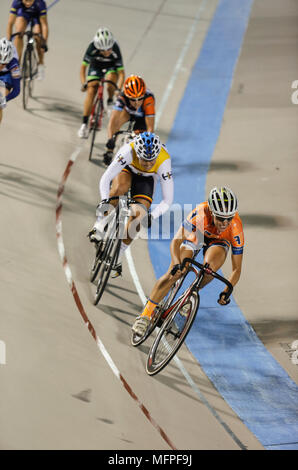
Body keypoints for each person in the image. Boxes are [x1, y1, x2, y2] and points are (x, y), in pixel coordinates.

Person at [132, 186, 244, 336]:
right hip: (197, 234)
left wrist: (226, 291)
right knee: (175, 273)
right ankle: (145, 315)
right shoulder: (200, 214)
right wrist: (177, 262)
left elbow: (236, 269)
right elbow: (176, 242)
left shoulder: (235, 227)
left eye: (229, 218)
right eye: (220, 218)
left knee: (210, 270)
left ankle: (191, 294)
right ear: (211, 212)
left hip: (219, 242)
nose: (225, 223)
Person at [88, 132, 174, 277]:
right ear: (137, 153)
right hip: (128, 169)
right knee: (118, 189)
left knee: (139, 216)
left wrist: (152, 216)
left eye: (151, 161)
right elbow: (106, 178)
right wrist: (105, 202)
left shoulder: (164, 160)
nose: (147, 164)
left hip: (146, 180)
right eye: (144, 160)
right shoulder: (128, 150)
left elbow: (168, 200)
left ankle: (118, 254)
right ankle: (101, 224)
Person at [78, 27, 125, 139]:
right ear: (98, 47)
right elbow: (83, 68)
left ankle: (109, 101)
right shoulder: (92, 47)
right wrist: (84, 83)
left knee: (110, 82)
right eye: (103, 50)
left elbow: (122, 74)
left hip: (111, 66)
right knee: (91, 90)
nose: (107, 52)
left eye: (109, 49)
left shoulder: (116, 48)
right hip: (96, 65)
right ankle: (84, 124)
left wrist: (118, 90)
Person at [103, 74, 155, 165]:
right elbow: (112, 121)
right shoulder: (122, 98)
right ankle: (109, 152)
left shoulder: (148, 99)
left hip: (143, 116)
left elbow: (150, 127)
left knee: (142, 136)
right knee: (116, 124)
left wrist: (147, 145)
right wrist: (110, 140)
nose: (136, 103)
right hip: (128, 112)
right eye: (132, 99)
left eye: (140, 99)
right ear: (127, 96)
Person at [6, 0, 49, 81]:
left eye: (30, 1)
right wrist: (9, 41)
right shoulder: (17, 2)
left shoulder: (40, 3)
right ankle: (17, 65)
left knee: (38, 35)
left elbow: (44, 25)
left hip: (37, 16)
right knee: (19, 32)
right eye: (25, 0)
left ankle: (40, 65)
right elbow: (10, 23)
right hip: (23, 15)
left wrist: (44, 42)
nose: (28, 3)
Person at [0, 38, 21, 124]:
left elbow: (16, 90)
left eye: (4, 64)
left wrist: (5, 99)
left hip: (6, 75)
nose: (1, 66)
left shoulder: (14, 64)